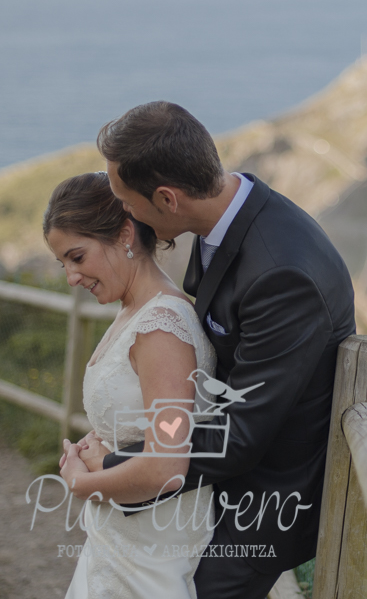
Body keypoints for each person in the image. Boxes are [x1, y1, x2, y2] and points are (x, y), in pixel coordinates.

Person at [86, 100, 357, 598]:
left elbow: (242, 433)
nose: (124, 212)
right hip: (218, 478)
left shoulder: (282, 274)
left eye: (126, 202)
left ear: (167, 199)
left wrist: (119, 465)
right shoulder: (226, 220)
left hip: (265, 502)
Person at [46, 172, 216, 597]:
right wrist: (91, 446)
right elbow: (138, 421)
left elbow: (165, 467)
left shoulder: (161, 330)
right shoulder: (133, 313)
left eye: (78, 257)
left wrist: (82, 483)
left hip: (147, 560)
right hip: (119, 545)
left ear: (124, 233)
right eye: (63, 263)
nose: (71, 277)